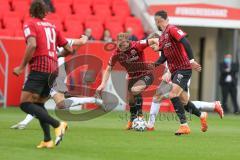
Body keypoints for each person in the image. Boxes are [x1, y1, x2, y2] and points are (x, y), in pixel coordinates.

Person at [13, 0, 73, 148]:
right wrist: (56, 56)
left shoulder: (30, 24)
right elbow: (69, 49)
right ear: (45, 11)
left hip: (40, 68)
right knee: (38, 104)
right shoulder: (53, 26)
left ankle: (57, 124)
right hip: (53, 69)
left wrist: (21, 67)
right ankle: (47, 140)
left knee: (25, 103)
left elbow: (32, 44)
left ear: (32, 11)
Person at [11, 37, 105, 130]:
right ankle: (93, 100)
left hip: (56, 75)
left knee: (40, 101)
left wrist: (83, 39)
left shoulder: (52, 42)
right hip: (50, 74)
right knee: (55, 103)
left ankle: (24, 123)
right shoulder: (62, 41)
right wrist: (84, 37)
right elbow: (81, 42)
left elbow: (80, 42)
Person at [146, 33, 224, 130]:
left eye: (153, 43)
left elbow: (180, 61)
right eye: (150, 45)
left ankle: (183, 124)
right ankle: (208, 110)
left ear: (159, 40)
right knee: (181, 101)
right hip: (173, 74)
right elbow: (165, 62)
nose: (152, 47)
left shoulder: (170, 46)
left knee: (178, 99)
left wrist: (169, 72)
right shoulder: (162, 49)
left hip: (181, 74)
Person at [149, 10, 207, 135]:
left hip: (184, 68)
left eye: (156, 20)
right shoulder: (163, 37)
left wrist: (191, 60)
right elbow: (163, 57)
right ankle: (202, 115)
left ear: (158, 20)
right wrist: (151, 67)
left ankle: (184, 125)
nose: (156, 22)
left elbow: (185, 42)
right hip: (175, 71)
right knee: (184, 101)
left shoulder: (172, 29)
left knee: (172, 94)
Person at [96, 32, 154, 130]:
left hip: (145, 74)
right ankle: (132, 120)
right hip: (132, 77)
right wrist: (102, 84)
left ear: (128, 42)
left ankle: (140, 117)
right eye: (119, 45)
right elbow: (109, 68)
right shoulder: (116, 54)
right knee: (131, 100)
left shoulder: (137, 45)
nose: (121, 47)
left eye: (123, 45)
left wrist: (161, 45)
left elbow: (152, 40)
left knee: (136, 90)